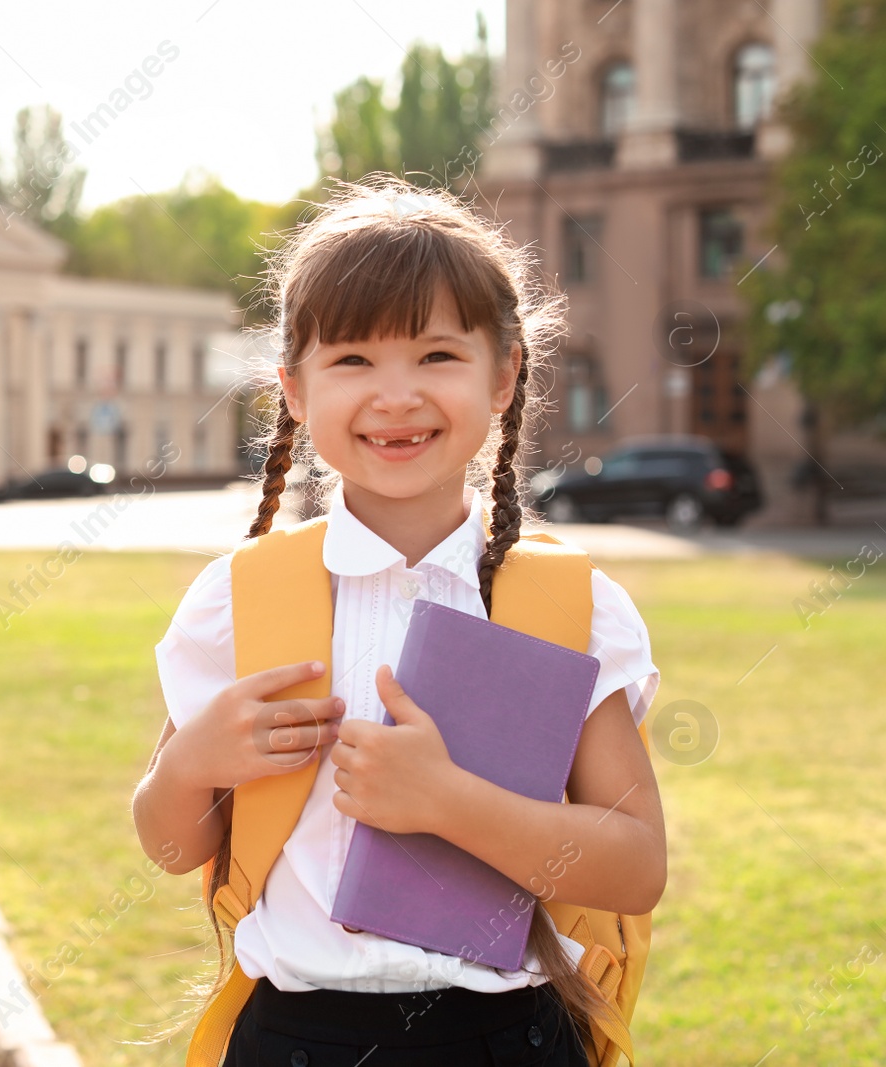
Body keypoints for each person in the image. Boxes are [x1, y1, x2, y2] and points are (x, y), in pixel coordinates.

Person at [131, 176, 666, 1066]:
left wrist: (450, 803)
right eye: (352, 361)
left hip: (504, 1036)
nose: (395, 396)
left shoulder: (568, 606)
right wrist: (193, 762)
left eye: (436, 356)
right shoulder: (243, 597)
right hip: (297, 1037)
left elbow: (635, 865)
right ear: (293, 390)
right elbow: (172, 844)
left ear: (503, 375)